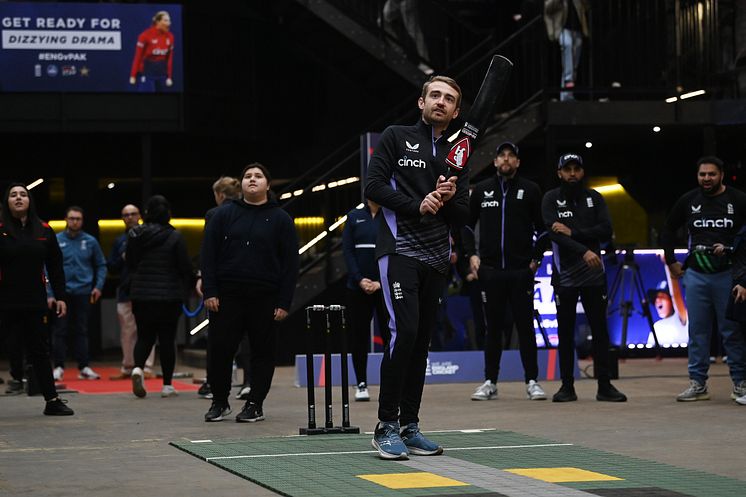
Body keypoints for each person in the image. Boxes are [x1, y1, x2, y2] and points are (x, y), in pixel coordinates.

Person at [365, 75, 469, 459]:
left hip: (437, 260)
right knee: (403, 333)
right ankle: (385, 425)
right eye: (435, 95)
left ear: (456, 111)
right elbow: (372, 186)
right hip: (399, 252)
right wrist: (416, 204)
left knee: (421, 343)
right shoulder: (396, 136)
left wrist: (451, 198)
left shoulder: (459, 152)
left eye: (449, 99)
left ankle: (409, 426)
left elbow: (463, 215)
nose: (441, 102)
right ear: (421, 102)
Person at [200, 163, 299, 422]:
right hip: (226, 295)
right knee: (220, 349)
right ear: (241, 184)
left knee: (262, 353)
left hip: (265, 296)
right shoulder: (223, 215)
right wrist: (210, 291)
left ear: (268, 184)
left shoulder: (281, 219)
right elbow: (208, 255)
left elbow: (290, 264)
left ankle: (255, 404)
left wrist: (284, 301)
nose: (252, 179)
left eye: (258, 176)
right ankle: (220, 402)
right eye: (247, 176)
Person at [464, 141, 549, 402]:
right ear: (495, 161)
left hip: (521, 271)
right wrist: (472, 255)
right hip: (490, 272)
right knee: (493, 329)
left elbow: (543, 230)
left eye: (511, 156)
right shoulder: (481, 189)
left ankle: (532, 381)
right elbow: (467, 227)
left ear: (518, 162)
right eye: (502, 156)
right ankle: (490, 381)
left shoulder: (531, 190)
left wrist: (535, 260)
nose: (506, 160)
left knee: (525, 327)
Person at [541, 153, 627, 402]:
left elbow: (606, 230)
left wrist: (573, 232)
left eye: (576, 169)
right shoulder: (551, 199)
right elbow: (554, 236)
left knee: (600, 330)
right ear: (559, 173)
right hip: (565, 276)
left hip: (593, 275)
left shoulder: (594, 198)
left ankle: (605, 386)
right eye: (567, 169)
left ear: (582, 172)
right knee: (565, 332)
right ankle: (567, 386)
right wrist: (585, 248)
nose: (572, 174)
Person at [661, 156, 746, 402]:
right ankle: (698, 384)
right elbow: (667, 229)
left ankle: (740, 383)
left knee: (732, 331)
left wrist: (731, 249)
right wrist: (671, 261)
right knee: (697, 331)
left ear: (721, 175)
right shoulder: (689, 200)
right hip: (696, 275)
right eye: (702, 175)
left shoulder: (738, 200)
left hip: (728, 275)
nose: (706, 179)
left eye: (711, 174)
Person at [0, 183, 73, 415]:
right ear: (7, 202)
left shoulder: (43, 229)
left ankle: (52, 401)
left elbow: (55, 265)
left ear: (30, 201)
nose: (18, 198)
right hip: (5, 302)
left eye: (23, 194)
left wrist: (60, 296)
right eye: (13, 195)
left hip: (34, 301)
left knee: (40, 351)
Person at [126, 195, 194, 398]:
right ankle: (167, 385)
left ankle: (138, 368)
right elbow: (185, 267)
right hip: (168, 296)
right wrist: (188, 287)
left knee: (145, 335)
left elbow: (130, 263)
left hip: (141, 294)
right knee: (167, 339)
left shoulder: (135, 234)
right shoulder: (175, 237)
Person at [196, 176, 252, 401]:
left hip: (223, 283)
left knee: (219, 337)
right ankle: (249, 381)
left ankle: (215, 383)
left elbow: (209, 250)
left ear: (219, 195)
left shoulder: (214, 215)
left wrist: (205, 280)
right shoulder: (249, 212)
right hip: (248, 279)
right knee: (248, 334)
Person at [50, 206, 107, 381]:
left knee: (82, 329)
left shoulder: (90, 241)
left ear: (82, 221)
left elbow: (101, 265)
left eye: (78, 219)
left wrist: (98, 286)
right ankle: (58, 367)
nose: (75, 221)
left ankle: (84, 367)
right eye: (72, 218)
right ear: (66, 219)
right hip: (62, 293)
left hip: (83, 291)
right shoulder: (57, 240)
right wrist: (49, 293)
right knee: (60, 330)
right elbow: (47, 268)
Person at [342, 199, 387, 401]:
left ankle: (391, 383)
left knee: (390, 336)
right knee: (358, 336)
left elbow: (396, 251)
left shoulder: (392, 216)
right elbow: (348, 252)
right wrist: (360, 279)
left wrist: (381, 281)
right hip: (358, 288)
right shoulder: (353, 216)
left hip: (384, 287)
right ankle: (361, 383)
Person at [107, 204, 156, 380]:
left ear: (139, 215)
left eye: (133, 214)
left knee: (147, 329)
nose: (129, 217)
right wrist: (123, 257)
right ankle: (128, 366)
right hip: (125, 291)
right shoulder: (119, 241)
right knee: (127, 331)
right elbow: (111, 267)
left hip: (146, 289)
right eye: (126, 215)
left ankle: (146, 367)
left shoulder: (149, 237)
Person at [543, 0, 590, 101]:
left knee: (574, 64)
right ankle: (568, 80)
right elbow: (548, 8)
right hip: (563, 29)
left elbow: (586, 7)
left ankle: (567, 95)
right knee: (567, 46)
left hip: (577, 29)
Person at [129, 11, 175, 92]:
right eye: (166, 20)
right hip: (147, 74)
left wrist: (169, 77)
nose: (169, 23)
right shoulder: (145, 35)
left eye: (169, 21)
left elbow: (169, 59)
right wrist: (133, 75)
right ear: (158, 22)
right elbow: (138, 56)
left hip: (162, 75)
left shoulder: (170, 37)